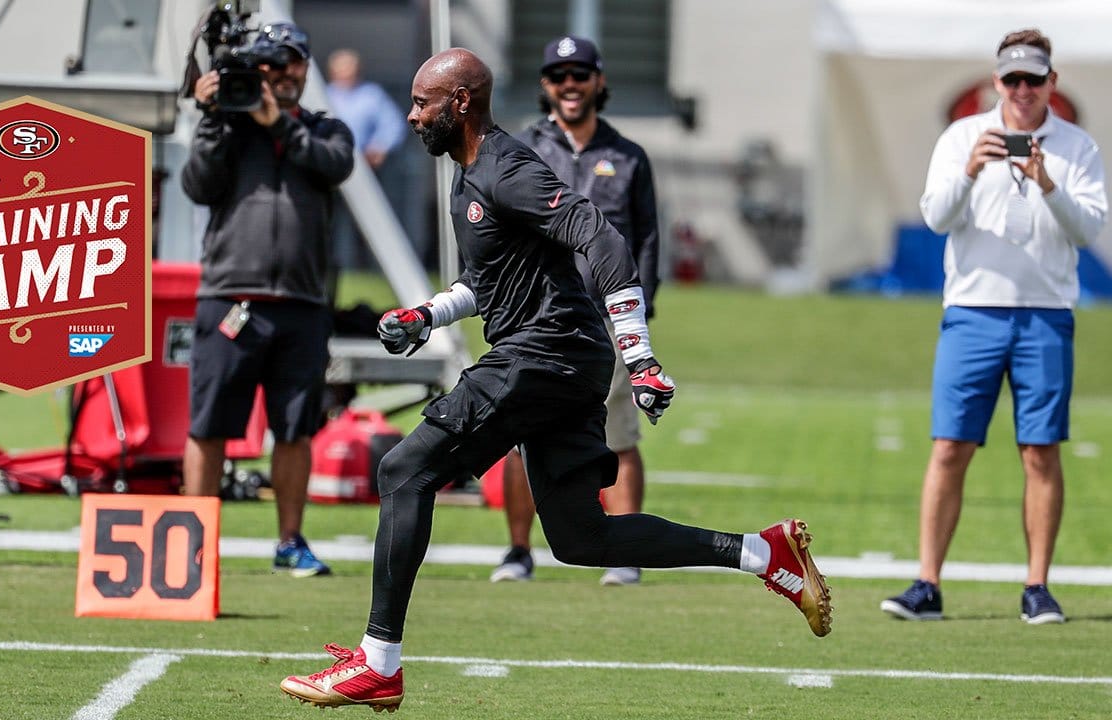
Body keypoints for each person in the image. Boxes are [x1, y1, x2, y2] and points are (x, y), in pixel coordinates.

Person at [279, 48, 832, 711]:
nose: (411, 113)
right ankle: (763, 553)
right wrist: (426, 314)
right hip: (559, 358)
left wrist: (642, 356)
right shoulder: (468, 175)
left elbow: (601, 236)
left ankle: (379, 662)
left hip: (547, 353)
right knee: (580, 539)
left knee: (404, 470)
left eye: (422, 101)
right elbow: (486, 284)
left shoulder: (506, 168)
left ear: (460, 104)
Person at [881, 29, 1107, 625]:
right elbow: (935, 216)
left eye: (1035, 79)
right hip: (973, 310)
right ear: (996, 82)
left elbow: (1087, 231)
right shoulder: (961, 138)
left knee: (1039, 451)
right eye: (1013, 79)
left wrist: (1046, 182)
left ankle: (1037, 586)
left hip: (1046, 313)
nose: (1024, 90)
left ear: (1052, 83)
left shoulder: (1076, 147)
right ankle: (926, 583)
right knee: (950, 446)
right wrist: (972, 170)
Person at [181, 21, 353, 578]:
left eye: (291, 63)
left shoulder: (327, 129)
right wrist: (211, 117)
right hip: (230, 297)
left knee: (296, 428)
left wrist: (279, 125)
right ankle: (193, 549)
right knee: (208, 427)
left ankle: (290, 542)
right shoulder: (229, 127)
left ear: (305, 68)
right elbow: (198, 186)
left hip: (301, 304)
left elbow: (335, 166)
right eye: (270, 65)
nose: (281, 74)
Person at [491, 36, 660, 587]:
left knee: (619, 435)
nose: (569, 84)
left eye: (580, 73)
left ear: (598, 82)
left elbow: (647, 240)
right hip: (537, 319)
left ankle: (628, 550)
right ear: (545, 85)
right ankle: (518, 550)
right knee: (520, 436)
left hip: (606, 322)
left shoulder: (629, 156)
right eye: (558, 74)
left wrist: (639, 317)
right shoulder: (523, 150)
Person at [324, 48, 409, 271]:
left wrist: (380, 147)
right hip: (330, 168)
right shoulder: (324, 95)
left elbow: (394, 125)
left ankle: (364, 269)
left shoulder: (372, 95)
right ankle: (328, 265)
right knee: (328, 221)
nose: (347, 75)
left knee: (365, 225)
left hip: (364, 168)